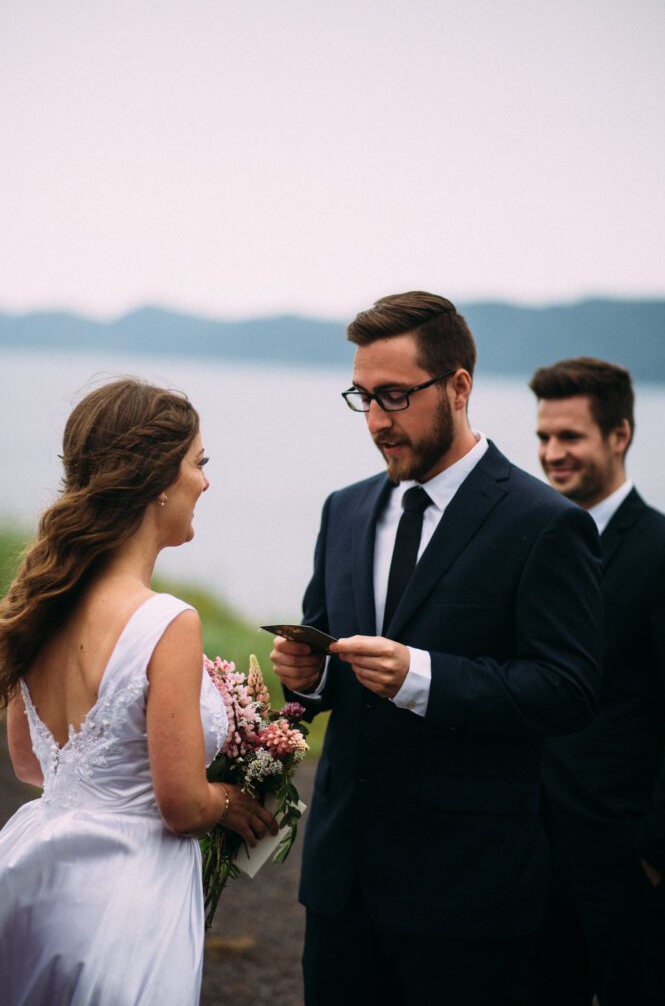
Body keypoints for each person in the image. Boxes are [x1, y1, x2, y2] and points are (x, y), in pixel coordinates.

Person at [270, 292, 603, 1006]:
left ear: (458, 386)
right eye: (362, 398)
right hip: (342, 884)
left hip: (468, 896)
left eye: (394, 396)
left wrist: (421, 677)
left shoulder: (545, 524)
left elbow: (569, 690)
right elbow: (323, 652)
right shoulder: (345, 508)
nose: (378, 421)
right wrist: (308, 680)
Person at [0, 378, 277, 1005]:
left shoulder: (36, 601)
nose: (204, 482)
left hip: (35, 878)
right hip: (125, 898)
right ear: (158, 479)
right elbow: (181, 805)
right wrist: (231, 800)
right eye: (197, 463)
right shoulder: (166, 622)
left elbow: (28, 764)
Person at [529, 357, 665, 1006]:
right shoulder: (530, 538)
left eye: (570, 437)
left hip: (624, 859)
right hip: (529, 852)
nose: (551, 454)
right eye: (542, 438)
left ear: (618, 435)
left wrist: (656, 849)